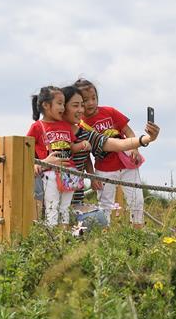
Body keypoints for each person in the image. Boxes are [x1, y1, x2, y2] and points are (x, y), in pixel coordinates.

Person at [60, 84, 159, 228]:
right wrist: (92, 175)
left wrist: (140, 144)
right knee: (104, 204)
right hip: (103, 168)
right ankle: (104, 231)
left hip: (125, 163)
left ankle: (137, 230)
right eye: (82, 102)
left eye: (93, 98)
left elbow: (122, 137)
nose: (89, 104)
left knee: (136, 200)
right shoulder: (76, 126)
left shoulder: (105, 116)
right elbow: (84, 155)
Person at [25, 86, 90, 227]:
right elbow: (25, 149)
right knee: (51, 206)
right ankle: (52, 238)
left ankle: (63, 236)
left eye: (63, 103)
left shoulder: (65, 125)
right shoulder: (37, 126)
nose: (62, 107)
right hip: (50, 173)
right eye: (59, 103)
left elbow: (71, 147)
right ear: (46, 105)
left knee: (64, 207)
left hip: (69, 172)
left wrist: (82, 145)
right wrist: (39, 163)